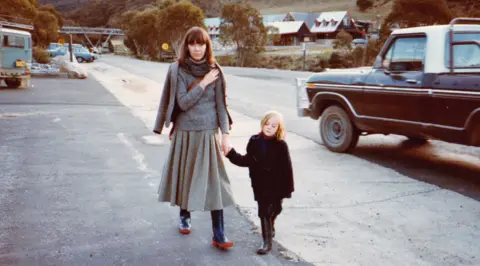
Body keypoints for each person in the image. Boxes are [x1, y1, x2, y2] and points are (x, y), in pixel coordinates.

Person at [153, 26, 235, 249]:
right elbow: (183, 102)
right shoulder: (177, 70)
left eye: (201, 44)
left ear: (207, 46)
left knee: (214, 183)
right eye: (193, 44)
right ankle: (184, 216)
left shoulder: (215, 70)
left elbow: (221, 106)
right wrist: (204, 82)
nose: (197, 48)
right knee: (186, 176)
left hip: (208, 133)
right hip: (185, 131)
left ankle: (219, 233)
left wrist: (225, 136)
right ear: (187, 46)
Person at [225, 110, 294, 255]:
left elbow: (287, 168)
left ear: (279, 129)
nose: (269, 127)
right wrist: (231, 153)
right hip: (260, 184)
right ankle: (266, 242)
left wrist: (287, 189)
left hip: (277, 184)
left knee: (276, 209)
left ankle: (271, 225)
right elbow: (247, 160)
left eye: (273, 126)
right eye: (267, 124)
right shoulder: (254, 141)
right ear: (263, 124)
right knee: (264, 212)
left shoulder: (281, 145)